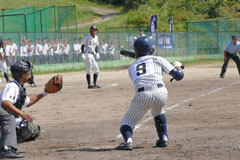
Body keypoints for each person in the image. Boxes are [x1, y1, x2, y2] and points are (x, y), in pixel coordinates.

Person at [115, 36, 184, 151]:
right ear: (151, 50)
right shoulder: (158, 59)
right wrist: (176, 67)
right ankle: (163, 139)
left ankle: (128, 142)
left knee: (127, 122)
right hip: (161, 92)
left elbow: (139, 80)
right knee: (158, 112)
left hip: (143, 94)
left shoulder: (132, 67)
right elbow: (179, 76)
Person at [0, 60, 49, 159]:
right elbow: (5, 102)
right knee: (10, 118)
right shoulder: (12, 86)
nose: (30, 74)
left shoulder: (19, 87)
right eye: (29, 72)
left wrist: (44, 93)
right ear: (23, 75)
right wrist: (21, 114)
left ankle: (5, 144)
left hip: (3, 122)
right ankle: (7, 148)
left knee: (32, 127)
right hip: (3, 120)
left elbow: (28, 102)